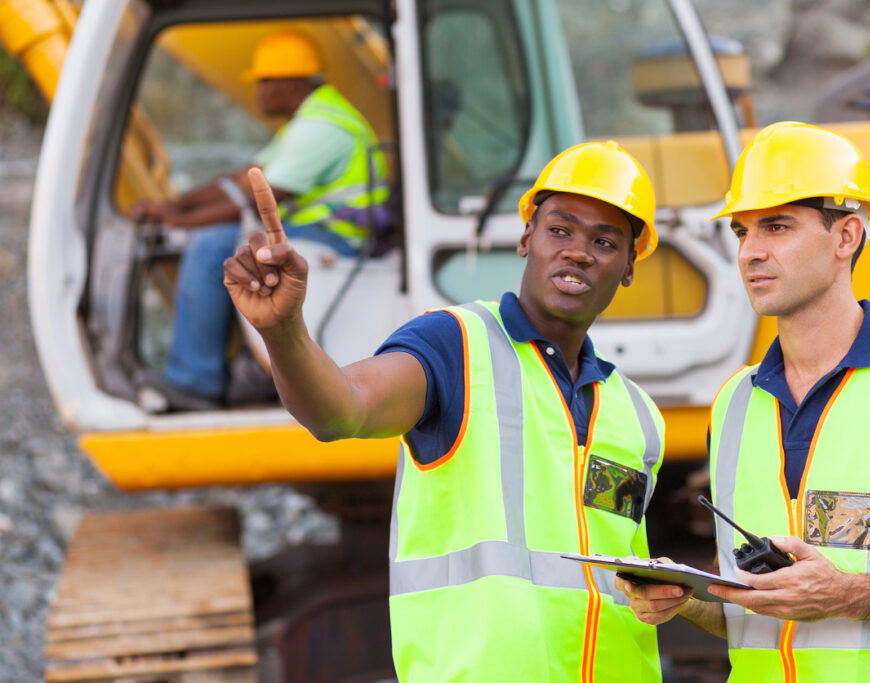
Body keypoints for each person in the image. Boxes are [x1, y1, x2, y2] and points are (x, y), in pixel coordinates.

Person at [224, 141, 667, 681]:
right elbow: (341, 410)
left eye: (605, 241)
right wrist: (283, 330)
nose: (578, 251)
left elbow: (623, 583)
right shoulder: (456, 346)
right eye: (560, 230)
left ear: (628, 268)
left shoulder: (640, 418)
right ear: (527, 238)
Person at [616, 122, 870, 681]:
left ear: (847, 236)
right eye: (741, 232)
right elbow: (761, 611)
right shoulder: (734, 405)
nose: (751, 252)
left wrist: (847, 594)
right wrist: (687, 596)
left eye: (777, 227)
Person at [134, 29, 388, 410]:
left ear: (289, 82)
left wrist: (185, 224)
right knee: (219, 238)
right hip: (318, 231)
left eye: (265, 82)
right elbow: (241, 180)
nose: (259, 92)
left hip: (336, 238)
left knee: (211, 245)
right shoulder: (311, 119)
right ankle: (232, 368)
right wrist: (176, 207)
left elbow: (259, 196)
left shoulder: (323, 128)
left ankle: (196, 381)